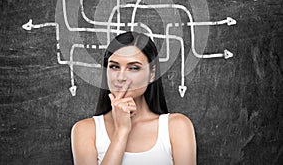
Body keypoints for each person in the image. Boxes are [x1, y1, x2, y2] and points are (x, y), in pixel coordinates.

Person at [71, 31, 196, 165]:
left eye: (134, 68)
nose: (121, 77)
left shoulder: (176, 127)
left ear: (152, 74)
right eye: (114, 66)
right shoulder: (86, 130)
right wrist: (121, 132)